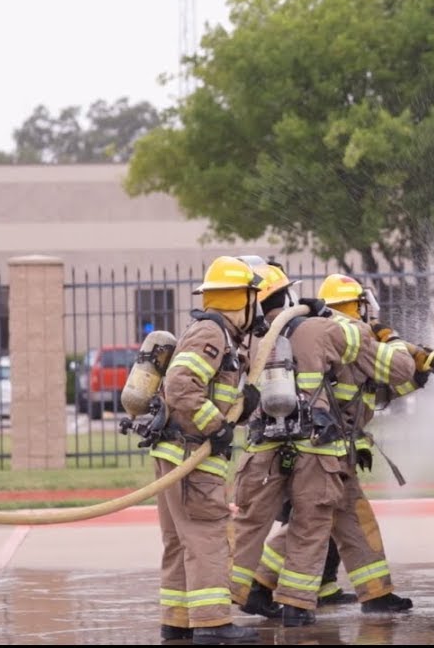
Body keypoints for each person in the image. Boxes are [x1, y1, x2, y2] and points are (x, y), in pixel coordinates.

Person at [253, 274, 425, 614]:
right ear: (354, 304)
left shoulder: (318, 332)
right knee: (311, 524)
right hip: (325, 452)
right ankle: (263, 587)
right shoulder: (350, 335)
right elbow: (394, 371)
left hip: (333, 447)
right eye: (362, 304)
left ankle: (375, 593)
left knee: (352, 520)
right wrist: (400, 346)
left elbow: (363, 395)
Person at [227, 258, 348, 628]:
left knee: (249, 524)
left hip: (262, 447)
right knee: (311, 523)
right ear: (287, 292)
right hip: (313, 443)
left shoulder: (243, 339)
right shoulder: (319, 329)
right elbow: (362, 354)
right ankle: (296, 606)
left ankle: (229, 598)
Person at [153, 256, 263, 645]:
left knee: (179, 542)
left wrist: (243, 406)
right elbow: (181, 386)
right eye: (255, 297)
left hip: (176, 455)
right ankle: (214, 625)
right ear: (241, 299)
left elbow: (206, 388)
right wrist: (215, 426)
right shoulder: (212, 334)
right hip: (191, 457)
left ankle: (178, 622)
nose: (260, 307)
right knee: (207, 536)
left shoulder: (218, 335)